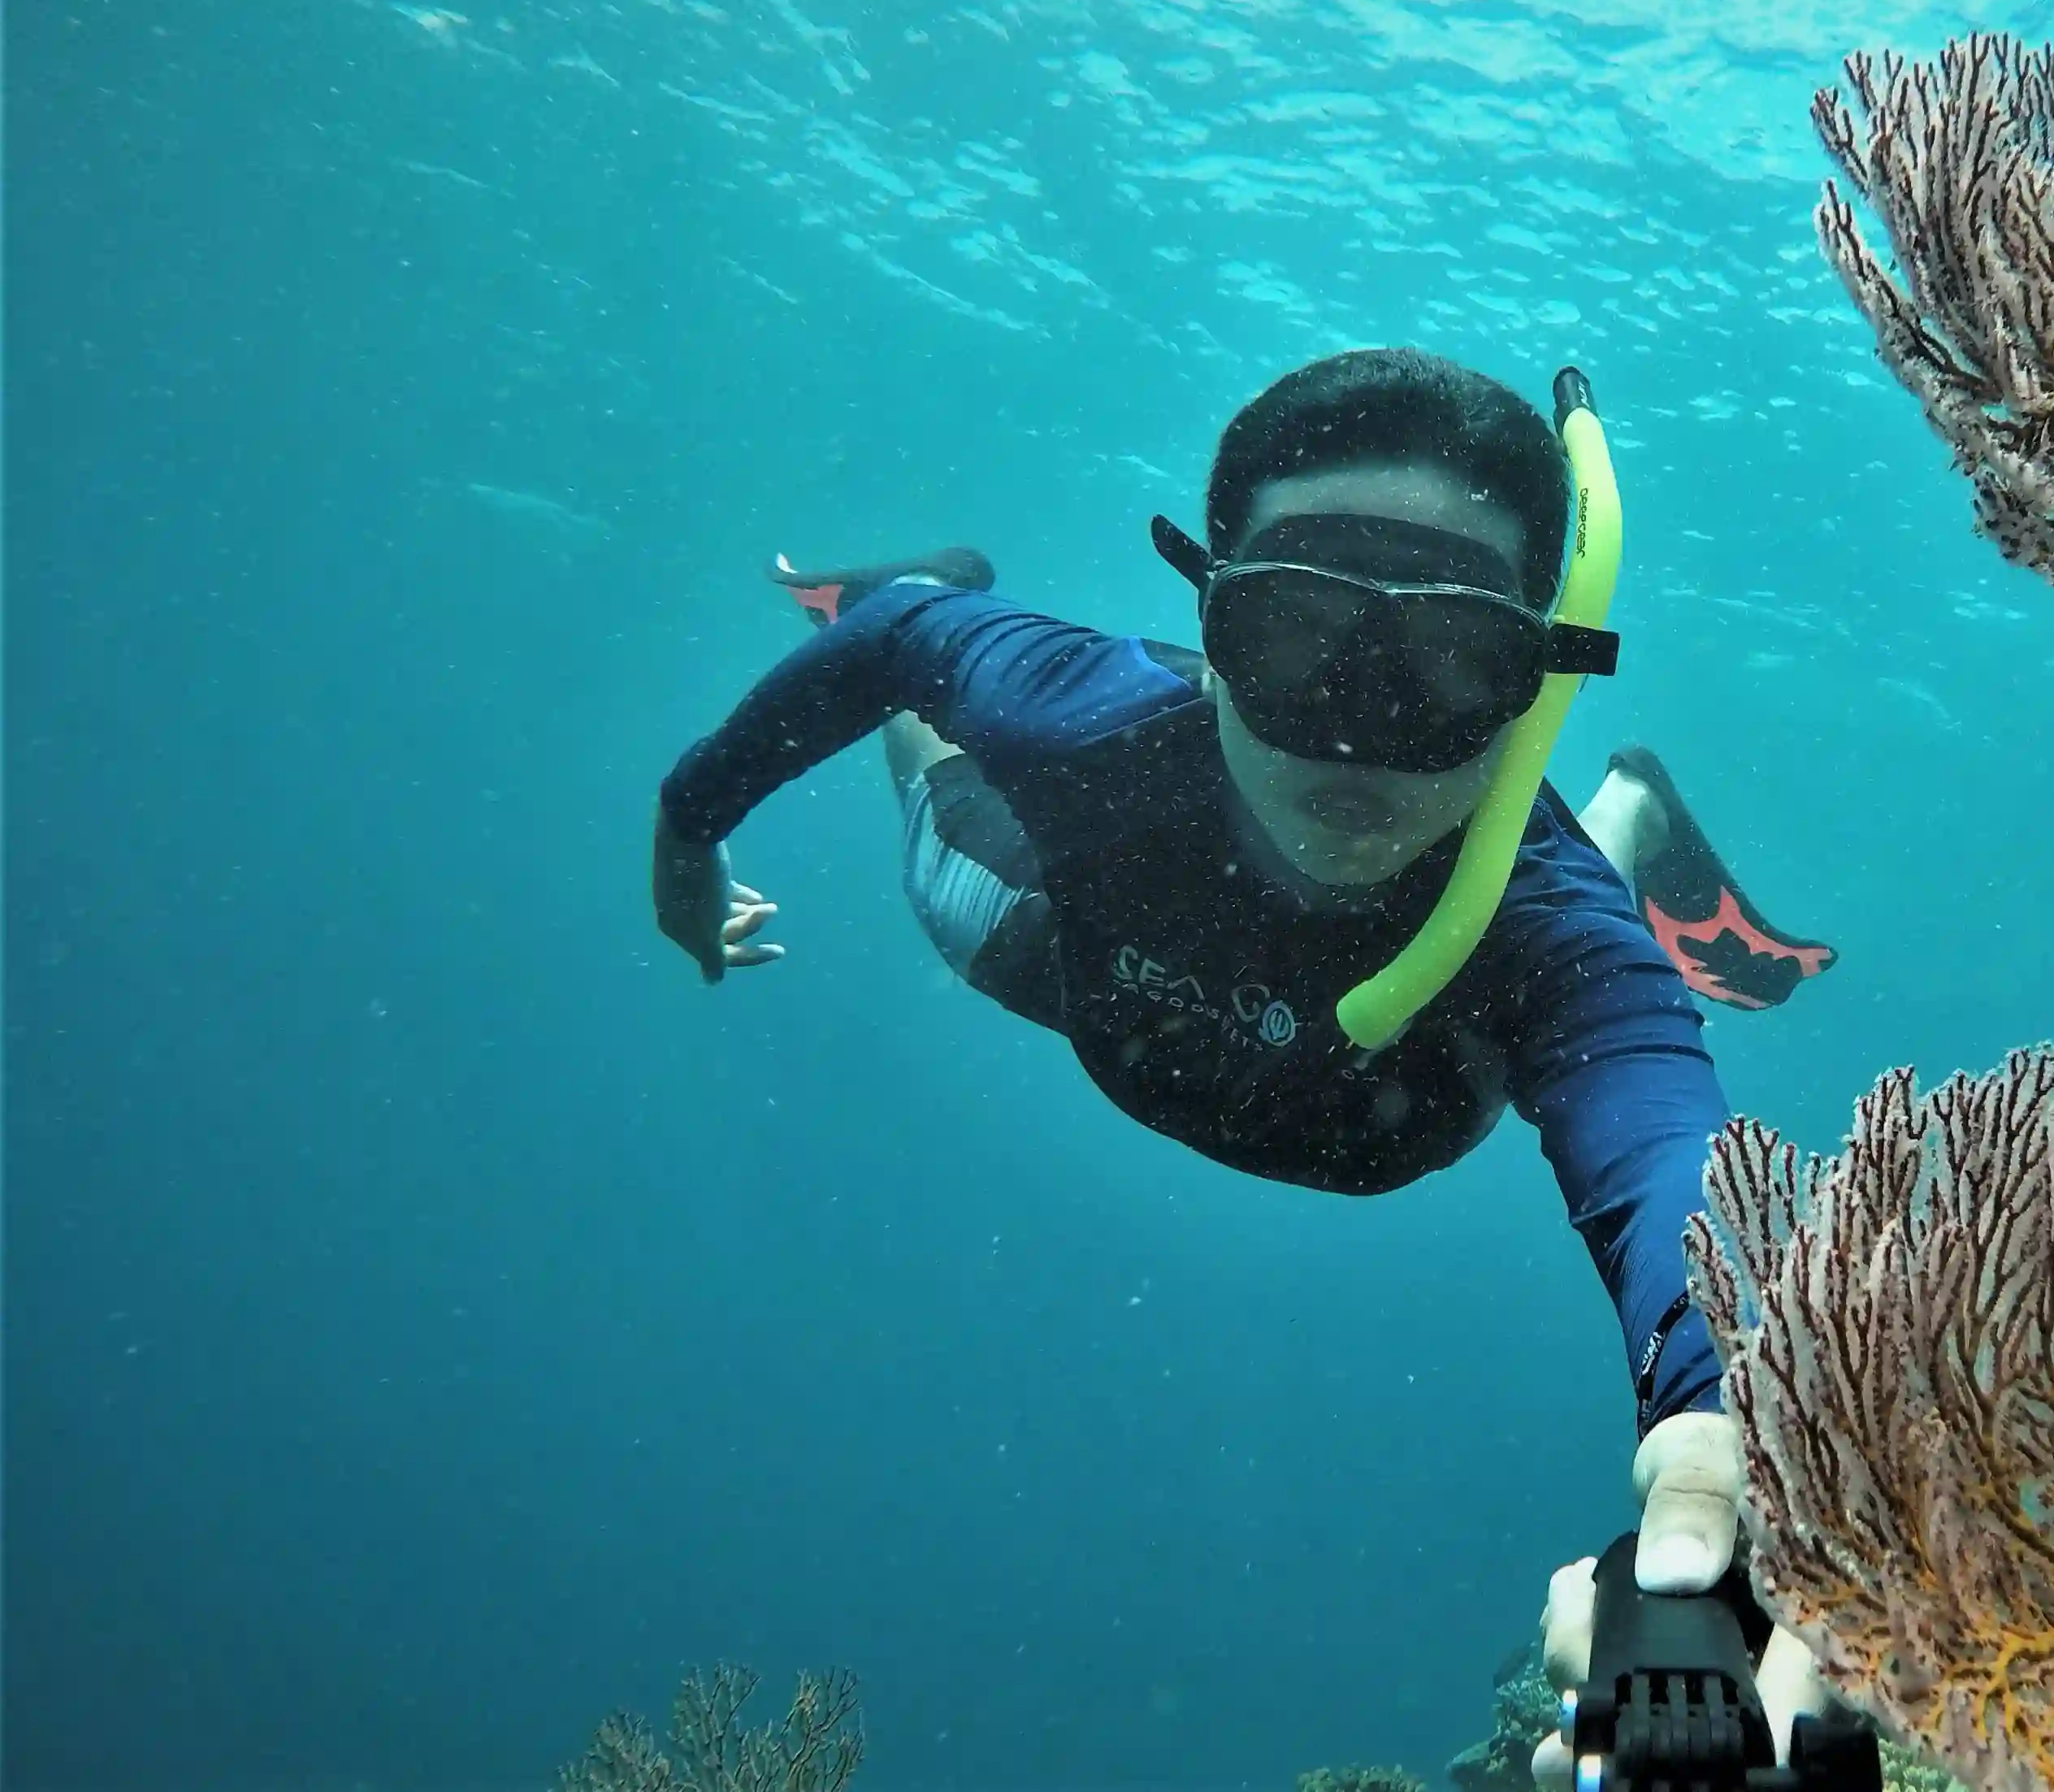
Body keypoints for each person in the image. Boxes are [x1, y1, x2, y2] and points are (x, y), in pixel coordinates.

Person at [648, 348, 1837, 1747]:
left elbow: (1673, 1158)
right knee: (936, 844)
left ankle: (1618, 803)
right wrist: (689, 823)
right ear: (1212, 623)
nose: (1360, 731)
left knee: (1567, 882)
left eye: (1451, 658)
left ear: (1531, 679)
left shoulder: (1558, 944)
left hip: (1391, 1074)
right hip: (1075, 963)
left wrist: (1721, 1427)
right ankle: (948, 571)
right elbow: (892, 644)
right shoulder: (1082, 711)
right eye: (1291, 635)